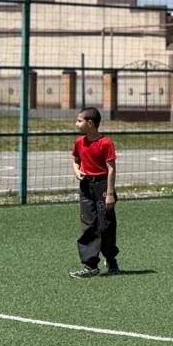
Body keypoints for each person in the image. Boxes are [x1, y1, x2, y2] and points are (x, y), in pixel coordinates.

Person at [70, 107, 119, 279]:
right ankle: (90, 265)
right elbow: (76, 161)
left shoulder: (106, 143)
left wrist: (110, 193)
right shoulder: (79, 142)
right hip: (86, 186)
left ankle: (111, 259)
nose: (76, 124)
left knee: (106, 226)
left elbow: (111, 169)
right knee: (88, 225)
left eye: (79, 121)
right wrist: (77, 171)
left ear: (90, 123)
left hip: (102, 186)